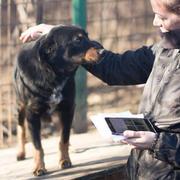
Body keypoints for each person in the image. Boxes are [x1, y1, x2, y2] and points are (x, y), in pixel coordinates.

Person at [19, 0, 180, 179]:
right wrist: (61, 35)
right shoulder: (163, 51)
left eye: (162, 17)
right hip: (145, 171)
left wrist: (158, 143)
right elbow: (115, 68)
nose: (155, 22)